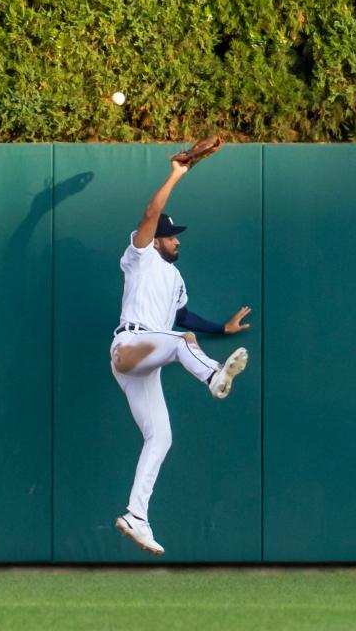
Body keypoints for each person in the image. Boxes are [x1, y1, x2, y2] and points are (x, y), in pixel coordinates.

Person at [111, 158, 251, 555]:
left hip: (145, 361)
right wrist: (176, 174)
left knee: (161, 436)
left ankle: (136, 515)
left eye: (175, 237)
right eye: (171, 237)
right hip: (129, 346)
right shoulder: (141, 256)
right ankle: (214, 378)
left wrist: (221, 329)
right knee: (179, 341)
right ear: (157, 239)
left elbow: (183, 316)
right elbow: (151, 213)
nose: (177, 241)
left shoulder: (174, 278)